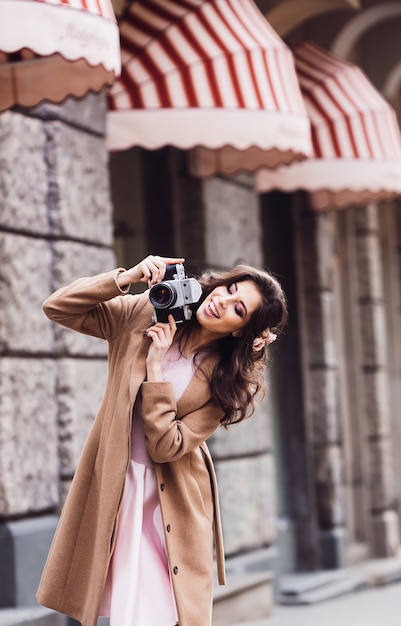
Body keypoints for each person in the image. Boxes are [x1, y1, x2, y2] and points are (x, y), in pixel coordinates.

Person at [36, 254, 288, 626]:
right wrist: (127, 277)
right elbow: (58, 307)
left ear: (241, 330)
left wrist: (155, 370)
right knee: (130, 608)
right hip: (120, 485)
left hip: (173, 500)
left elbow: (166, 446)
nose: (222, 301)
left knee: (153, 612)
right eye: (230, 289)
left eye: (238, 309)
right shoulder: (143, 313)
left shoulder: (224, 382)